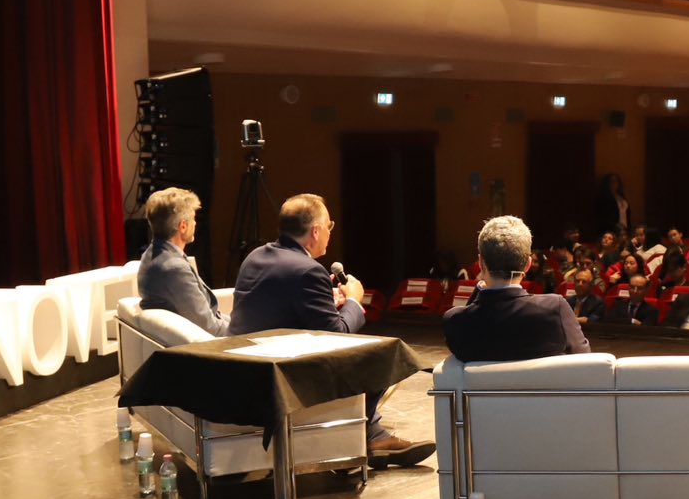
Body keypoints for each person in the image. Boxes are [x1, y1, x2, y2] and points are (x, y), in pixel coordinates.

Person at [233, 194, 434, 468]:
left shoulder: (256, 256)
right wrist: (354, 301)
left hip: (248, 363)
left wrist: (324, 300)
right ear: (315, 231)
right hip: (280, 375)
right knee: (385, 354)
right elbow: (336, 333)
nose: (330, 232)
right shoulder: (307, 270)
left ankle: (373, 434)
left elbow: (283, 306)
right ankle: (372, 437)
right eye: (329, 226)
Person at [444, 215, 591, 362]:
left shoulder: (455, 321)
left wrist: (480, 288)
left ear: (481, 263)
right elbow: (584, 361)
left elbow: (468, 320)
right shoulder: (555, 309)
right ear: (528, 264)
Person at [136, 187, 229, 335]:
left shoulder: (150, 255)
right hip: (210, 344)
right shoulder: (174, 269)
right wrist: (245, 329)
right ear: (183, 226)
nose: (195, 223)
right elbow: (209, 327)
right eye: (193, 219)